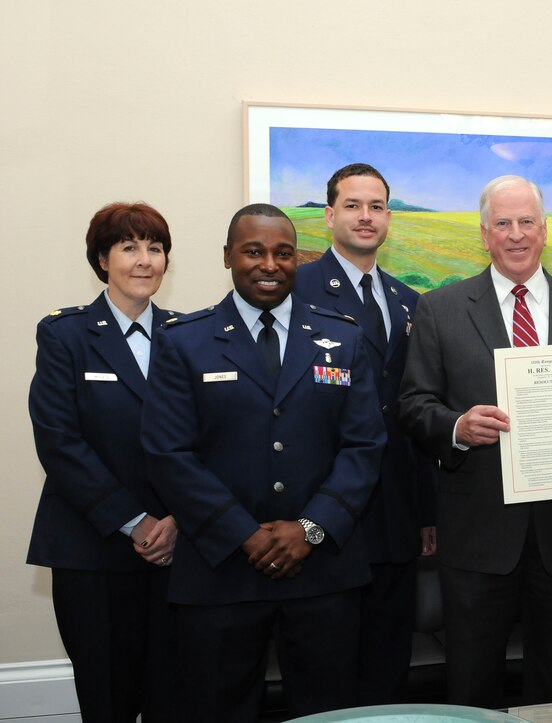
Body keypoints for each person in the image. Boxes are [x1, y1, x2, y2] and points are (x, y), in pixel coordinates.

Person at [398, 175, 552, 707]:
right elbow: (414, 404)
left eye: (526, 221)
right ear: (483, 235)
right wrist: (458, 428)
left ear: (544, 229)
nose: (515, 234)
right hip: (479, 534)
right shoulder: (440, 309)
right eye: (502, 223)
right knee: (471, 684)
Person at [140, 203, 386, 722]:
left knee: (330, 712)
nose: (269, 264)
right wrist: (242, 534)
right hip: (221, 571)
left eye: (283, 253)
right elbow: (168, 453)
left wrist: (311, 529)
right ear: (228, 257)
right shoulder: (184, 341)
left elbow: (364, 446)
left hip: (322, 571)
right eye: (253, 251)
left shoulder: (343, 338)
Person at [27, 202, 178, 723]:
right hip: (92, 550)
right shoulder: (65, 335)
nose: (144, 261)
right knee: (108, 699)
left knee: (174, 694)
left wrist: (179, 519)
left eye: (155, 249)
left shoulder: (191, 334)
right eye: (129, 247)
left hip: (178, 549)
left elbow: (211, 440)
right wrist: (135, 522)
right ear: (101, 259)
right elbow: (59, 442)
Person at [295, 162, 437, 704]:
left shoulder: (407, 301)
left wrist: (426, 510)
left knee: (386, 664)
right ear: (329, 215)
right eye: (353, 205)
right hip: (325, 508)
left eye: (376, 206)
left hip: (396, 509)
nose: (365, 216)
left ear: (389, 218)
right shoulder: (297, 288)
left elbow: (416, 409)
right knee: (325, 668)